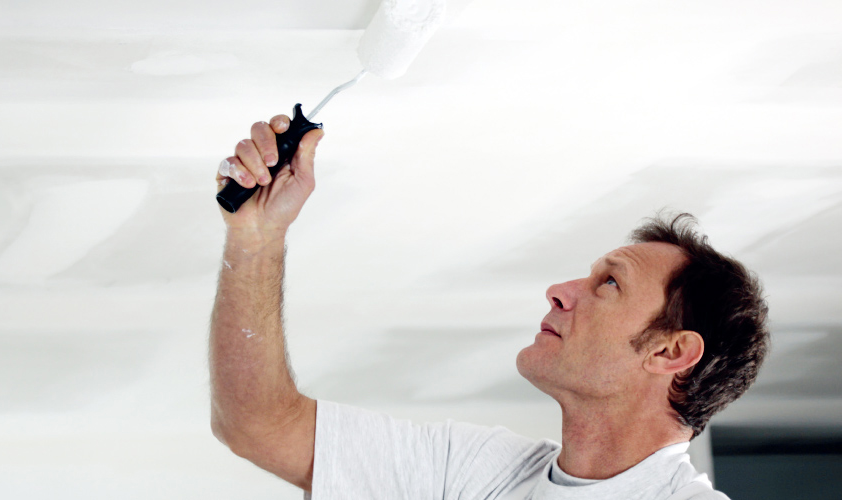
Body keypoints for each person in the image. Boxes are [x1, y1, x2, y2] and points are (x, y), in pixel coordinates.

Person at [208, 114, 769, 499]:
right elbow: (258, 426)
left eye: (608, 285)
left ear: (670, 352)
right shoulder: (476, 471)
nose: (560, 291)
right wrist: (256, 238)